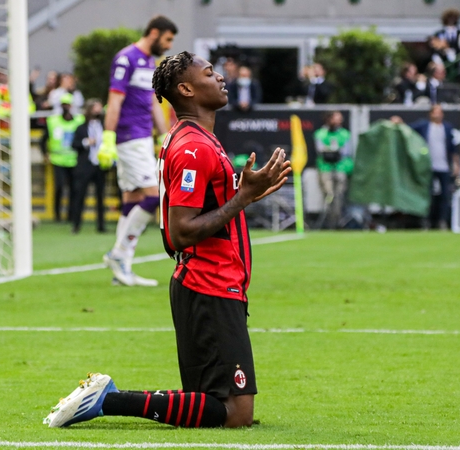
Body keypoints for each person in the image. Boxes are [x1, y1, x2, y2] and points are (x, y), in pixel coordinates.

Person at [43, 51, 291, 430]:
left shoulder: (196, 139)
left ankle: (108, 399)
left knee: (213, 405)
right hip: (209, 285)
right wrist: (242, 198)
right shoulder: (194, 148)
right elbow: (180, 231)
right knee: (235, 414)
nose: (221, 78)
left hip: (208, 285)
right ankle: (108, 399)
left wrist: (247, 191)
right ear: (187, 88)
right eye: (210, 74)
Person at [97, 15, 176, 287]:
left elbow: (155, 103)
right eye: (166, 39)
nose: (167, 46)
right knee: (154, 195)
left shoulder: (149, 62)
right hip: (129, 137)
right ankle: (119, 254)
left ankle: (122, 270)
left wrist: (164, 134)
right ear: (154, 32)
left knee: (131, 197)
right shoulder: (126, 58)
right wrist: (108, 137)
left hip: (143, 138)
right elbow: (114, 100)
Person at [401, 105, 460, 229]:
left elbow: (452, 149)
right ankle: (426, 220)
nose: (437, 115)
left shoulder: (447, 128)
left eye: (440, 112)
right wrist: (399, 122)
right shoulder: (424, 126)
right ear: (430, 114)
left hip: (443, 166)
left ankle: (442, 221)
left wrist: (456, 165)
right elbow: (408, 129)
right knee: (427, 195)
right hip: (428, 167)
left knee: (445, 195)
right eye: (435, 112)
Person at [41, 93, 85, 223]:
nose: (66, 107)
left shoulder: (79, 120)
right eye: (64, 104)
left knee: (74, 188)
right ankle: (57, 215)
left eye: (68, 104)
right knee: (59, 187)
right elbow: (44, 139)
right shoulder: (53, 121)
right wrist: (45, 153)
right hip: (58, 159)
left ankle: (71, 215)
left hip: (74, 159)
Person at [71, 99, 108, 234]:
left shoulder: (104, 127)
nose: (98, 111)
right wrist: (86, 142)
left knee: (101, 196)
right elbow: (74, 144)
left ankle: (101, 225)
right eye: (95, 108)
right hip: (85, 166)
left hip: (100, 165)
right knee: (80, 195)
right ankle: (76, 225)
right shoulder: (81, 128)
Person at [314, 111, 353, 229]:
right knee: (329, 194)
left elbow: (346, 151)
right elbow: (321, 150)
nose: (339, 121)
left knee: (339, 196)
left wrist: (331, 151)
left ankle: (338, 221)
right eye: (336, 119)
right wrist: (334, 151)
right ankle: (329, 222)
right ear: (329, 119)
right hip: (325, 168)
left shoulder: (345, 134)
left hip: (341, 168)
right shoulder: (320, 133)